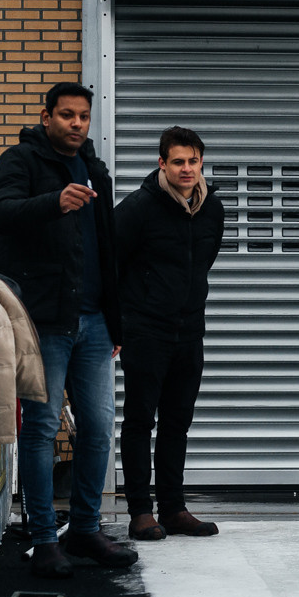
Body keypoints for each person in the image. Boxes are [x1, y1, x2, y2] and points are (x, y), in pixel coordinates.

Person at [0, 82, 137, 577]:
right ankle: (45, 538)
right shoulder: (22, 160)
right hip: (44, 320)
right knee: (42, 427)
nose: (76, 123)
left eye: (83, 116)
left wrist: (115, 320)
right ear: (46, 116)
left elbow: (107, 250)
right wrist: (54, 201)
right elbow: (0, 214)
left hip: (94, 321)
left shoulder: (95, 169)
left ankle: (87, 529)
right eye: (67, 114)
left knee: (98, 428)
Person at [116, 126, 225, 541]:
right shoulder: (138, 208)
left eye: (193, 161)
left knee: (178, 422)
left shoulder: (212, 209)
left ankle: (174, 509)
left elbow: (203, 262)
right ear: (162, 163)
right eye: (177, 161)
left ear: (201, 163)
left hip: (189, 331)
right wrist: (119, 322)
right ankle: (140, 512)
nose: (186, 169)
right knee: (140, 420)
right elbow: (110, 266)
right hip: (145, 330)